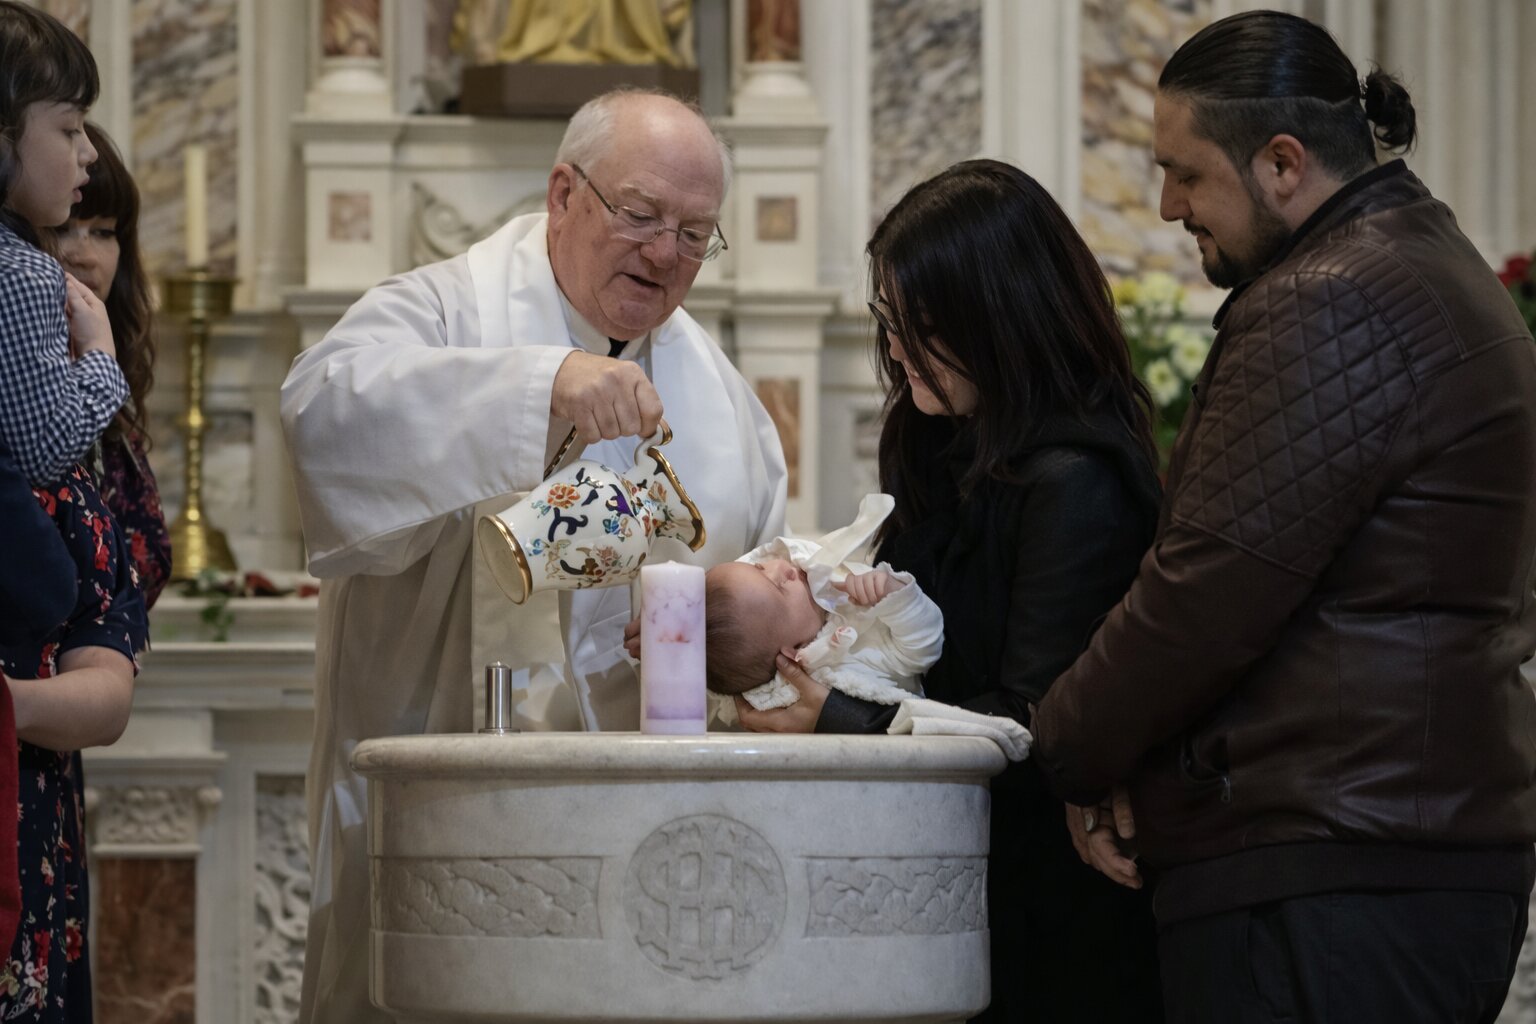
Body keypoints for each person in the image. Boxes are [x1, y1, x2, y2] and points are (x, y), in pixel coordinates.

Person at [1030, 11, 1536, 1023]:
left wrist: (1069, 749)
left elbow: (1206, 592)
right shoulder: (1426, 260)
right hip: (1394, 848)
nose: (1168, 205)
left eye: (1186, 172)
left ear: (1283, 162)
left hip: (1328, 869)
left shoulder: (1332, 301)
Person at [280, 88, 786, 1023]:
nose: (665, 253)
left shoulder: (717, 394)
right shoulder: (444, 309)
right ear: (564, 194)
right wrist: (537, 387)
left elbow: (754, 576)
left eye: (694, 232)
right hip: (442, 808)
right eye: (640, 216)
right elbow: (323, 411)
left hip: (637, 846)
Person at [737, 159, 1165, 1022]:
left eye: (919, 324)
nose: (893, 348)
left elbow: (1034, 729)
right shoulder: (938, 439)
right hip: (940, 872)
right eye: (887, 319)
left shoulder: (1078, 482)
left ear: (1000, 317)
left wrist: (837, 718)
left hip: (1043, 905)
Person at [0, 1, 124, 489]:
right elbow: (45, 452)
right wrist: (98, 353)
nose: (89, 151)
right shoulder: (23, 274)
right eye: (70, 129)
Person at [53, 122, 171, 607]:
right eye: (62, 227)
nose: (83, 255)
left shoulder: (108, 382)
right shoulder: (26, 394)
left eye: (103, 232)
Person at [698, 493, 943, 708]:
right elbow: (922, 651)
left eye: (760, 567)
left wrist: (891, 592)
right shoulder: (848, 663)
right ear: (792, 653)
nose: (785, 568)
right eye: (780, 588)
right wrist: (899, 600)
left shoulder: (836, 594)